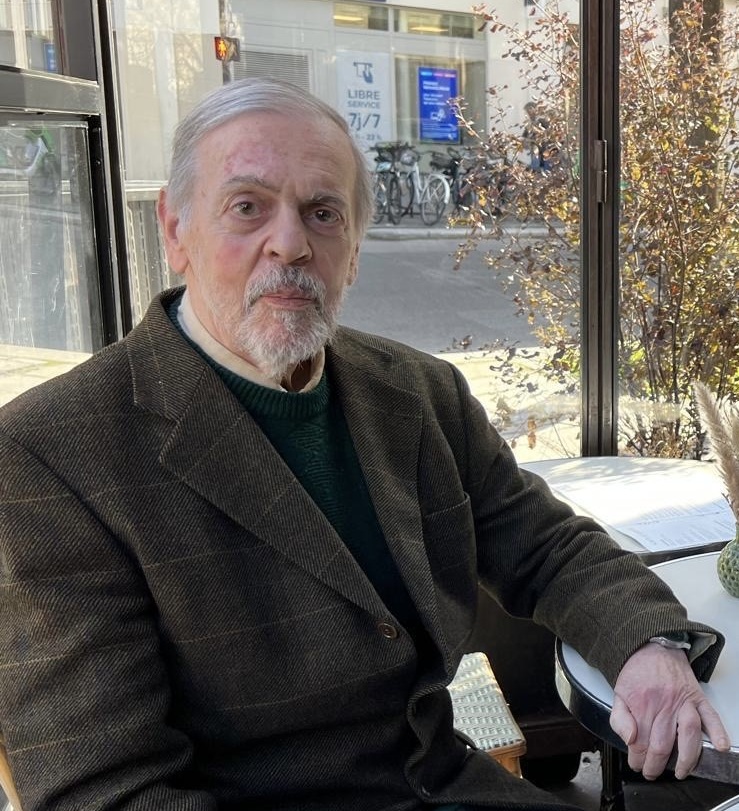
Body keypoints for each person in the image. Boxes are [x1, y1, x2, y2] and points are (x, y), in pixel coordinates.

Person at [0, 77, 729, 811]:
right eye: (247, 206)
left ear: (351, 252)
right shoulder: (53, 455)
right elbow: (105, 790)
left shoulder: (419, 392)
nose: (290, 243)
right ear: (174, 229)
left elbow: (546, 546)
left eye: (323, 213)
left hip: (447, 785)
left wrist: (647, 645)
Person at [523, 100, 552, 171]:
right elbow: (524, 142)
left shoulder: (542, 121)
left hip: (546, 153)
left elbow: (549, 135)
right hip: (536, 155)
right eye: (527, 112)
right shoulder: (529, 125)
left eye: (529, 110)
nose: (528, 114)